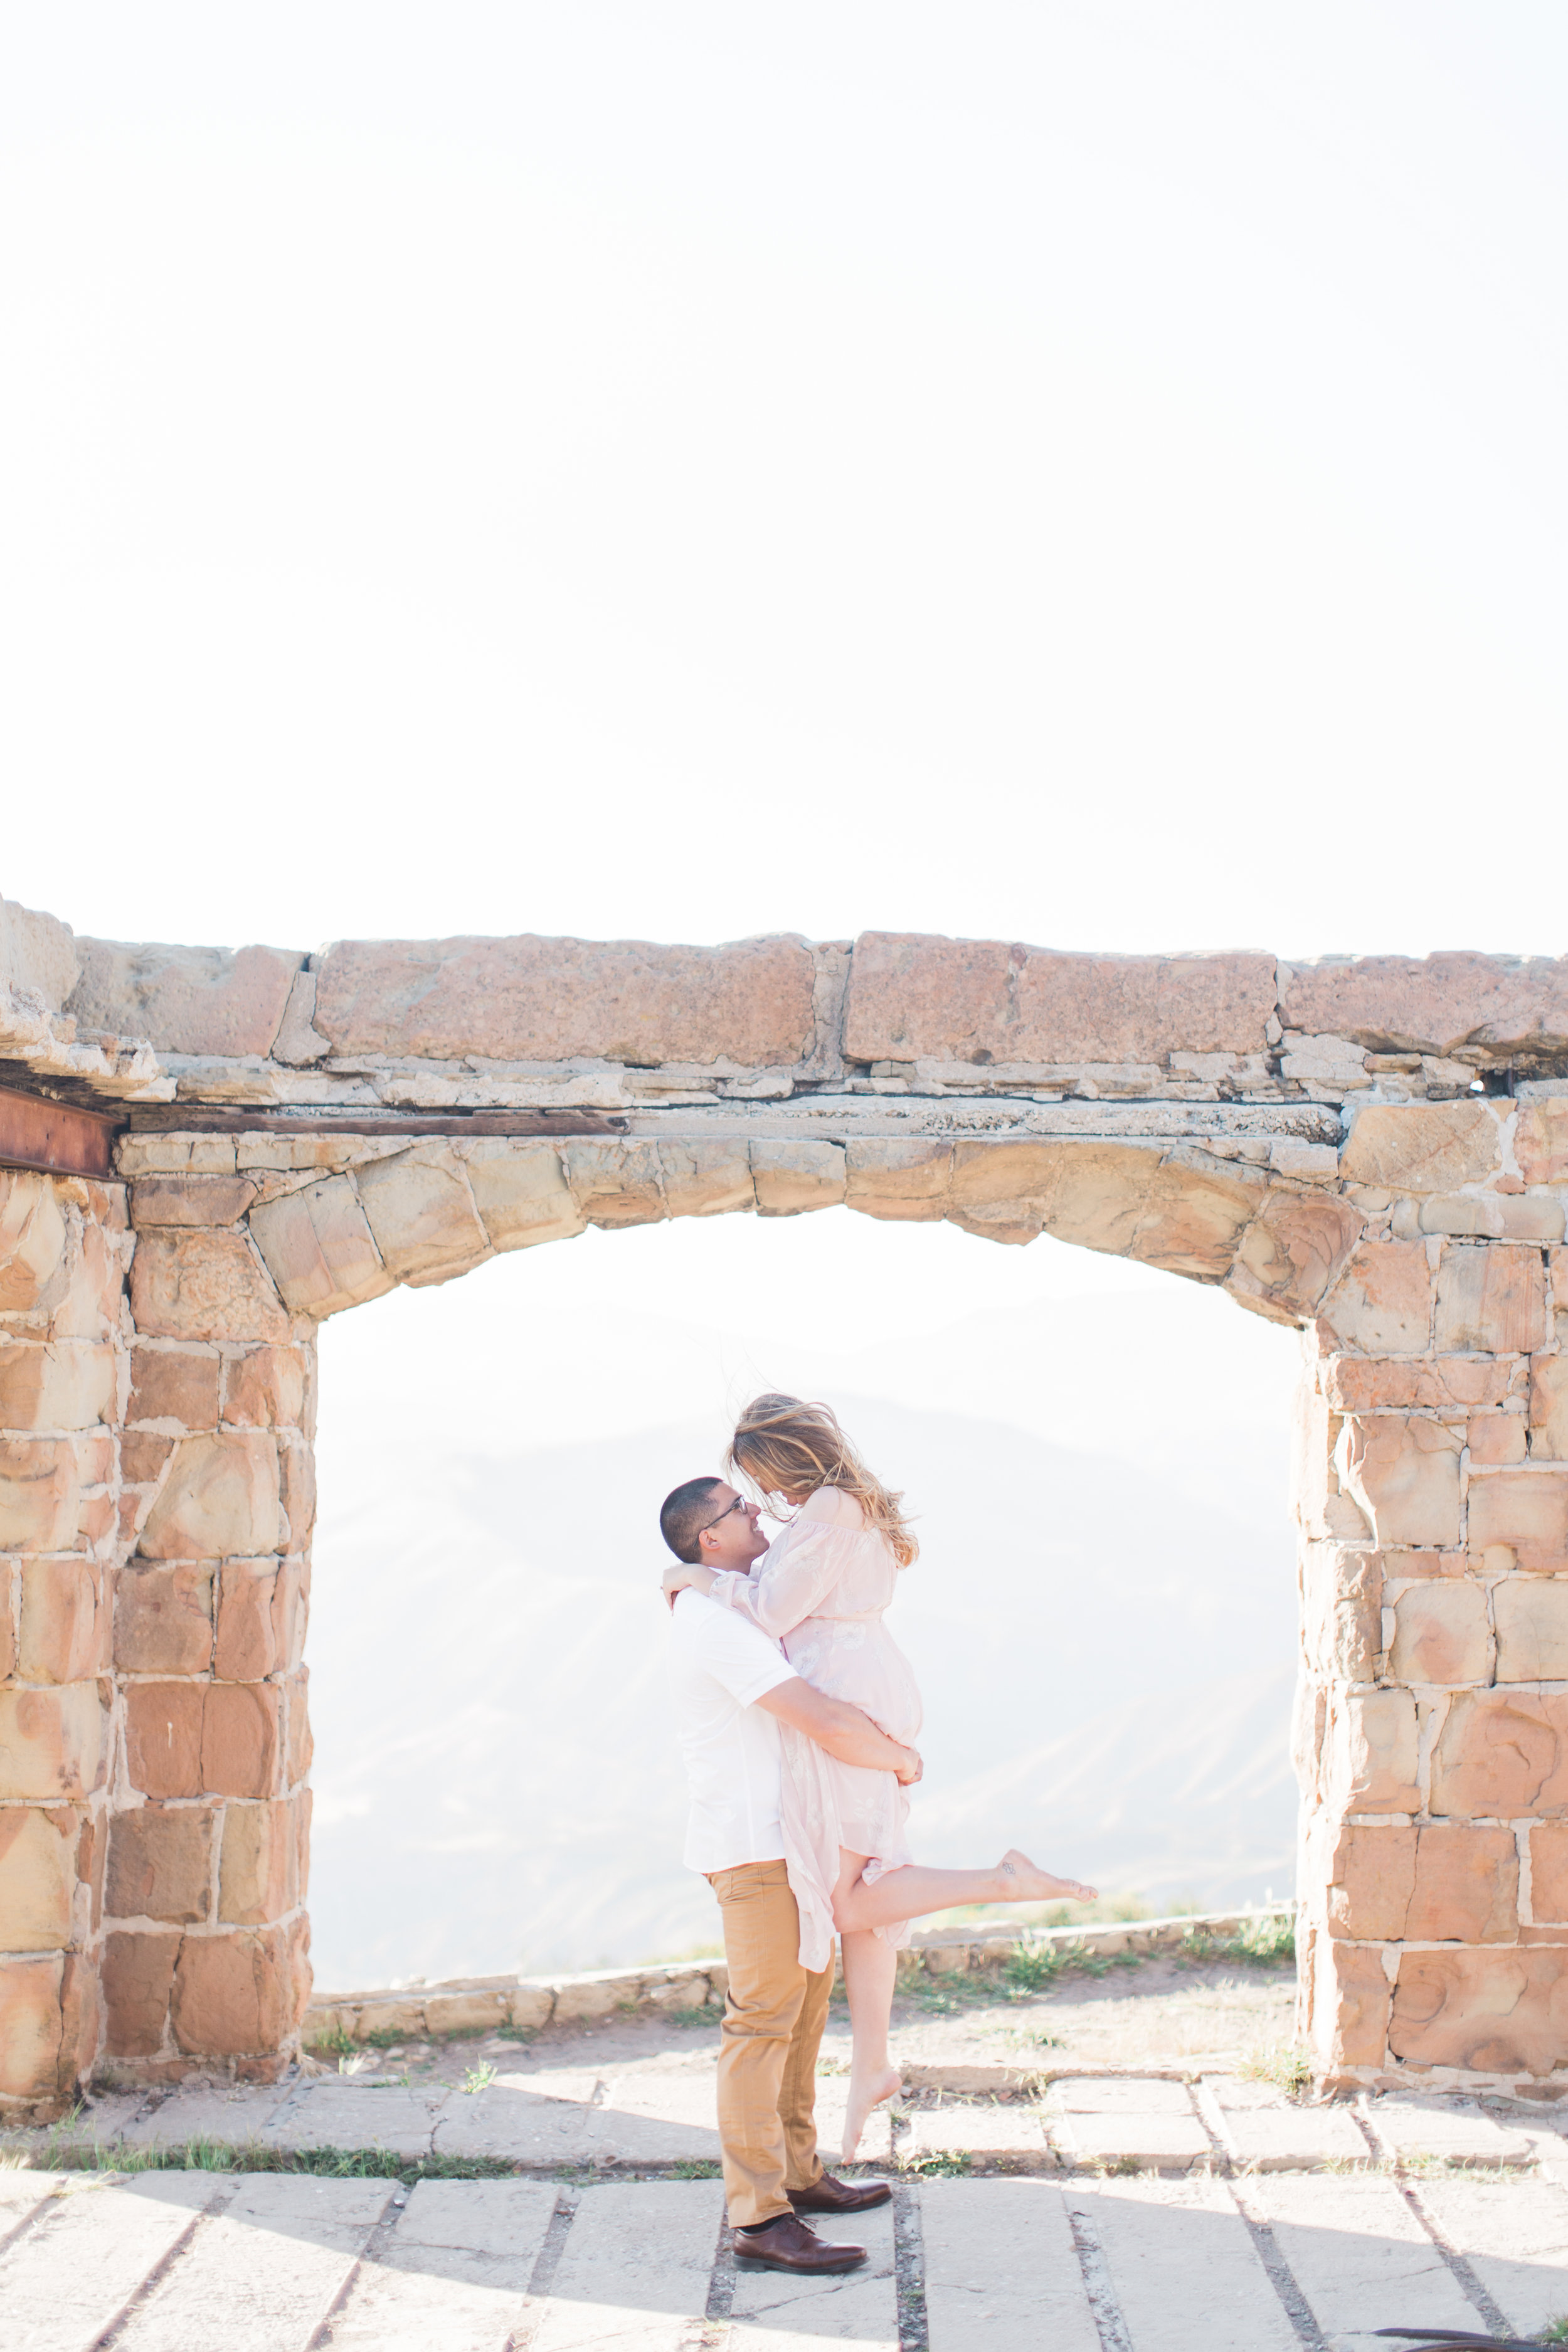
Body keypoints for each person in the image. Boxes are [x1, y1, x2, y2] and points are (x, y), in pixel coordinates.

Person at [662, 1396, 1097, 2159]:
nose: (763, 1501)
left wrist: (697, 1581)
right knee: (863, 1886)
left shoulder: (829, 1506)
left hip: (844, 1692)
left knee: (840, 1901)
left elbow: (768, 1611)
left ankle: (999, 1881)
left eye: (760, 1480)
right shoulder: (837, 1505)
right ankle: (871, 2062)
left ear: (786, 1456)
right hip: (858, 1676)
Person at [660, 1470, 921, 2277]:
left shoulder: (737, 1602)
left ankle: (801, 2174)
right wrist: (899, 1759)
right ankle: (759, 2216)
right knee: (763, 2022)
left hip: (794, 1844)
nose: (759, 1513)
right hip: (754, 1849)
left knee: (806, 2010)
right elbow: (818, 1715)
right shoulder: (715, 1622)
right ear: (711, 1537)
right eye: (741, 1509)